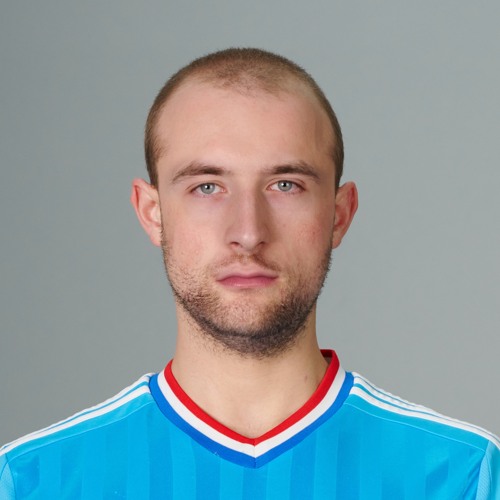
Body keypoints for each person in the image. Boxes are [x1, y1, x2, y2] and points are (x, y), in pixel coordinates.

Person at [0, 48, 498, 499]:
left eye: (285, 185)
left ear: (339, 214)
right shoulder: (32, 481)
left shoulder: (463, 476)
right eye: (207, 187)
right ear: (152, 213)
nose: (248, 232)